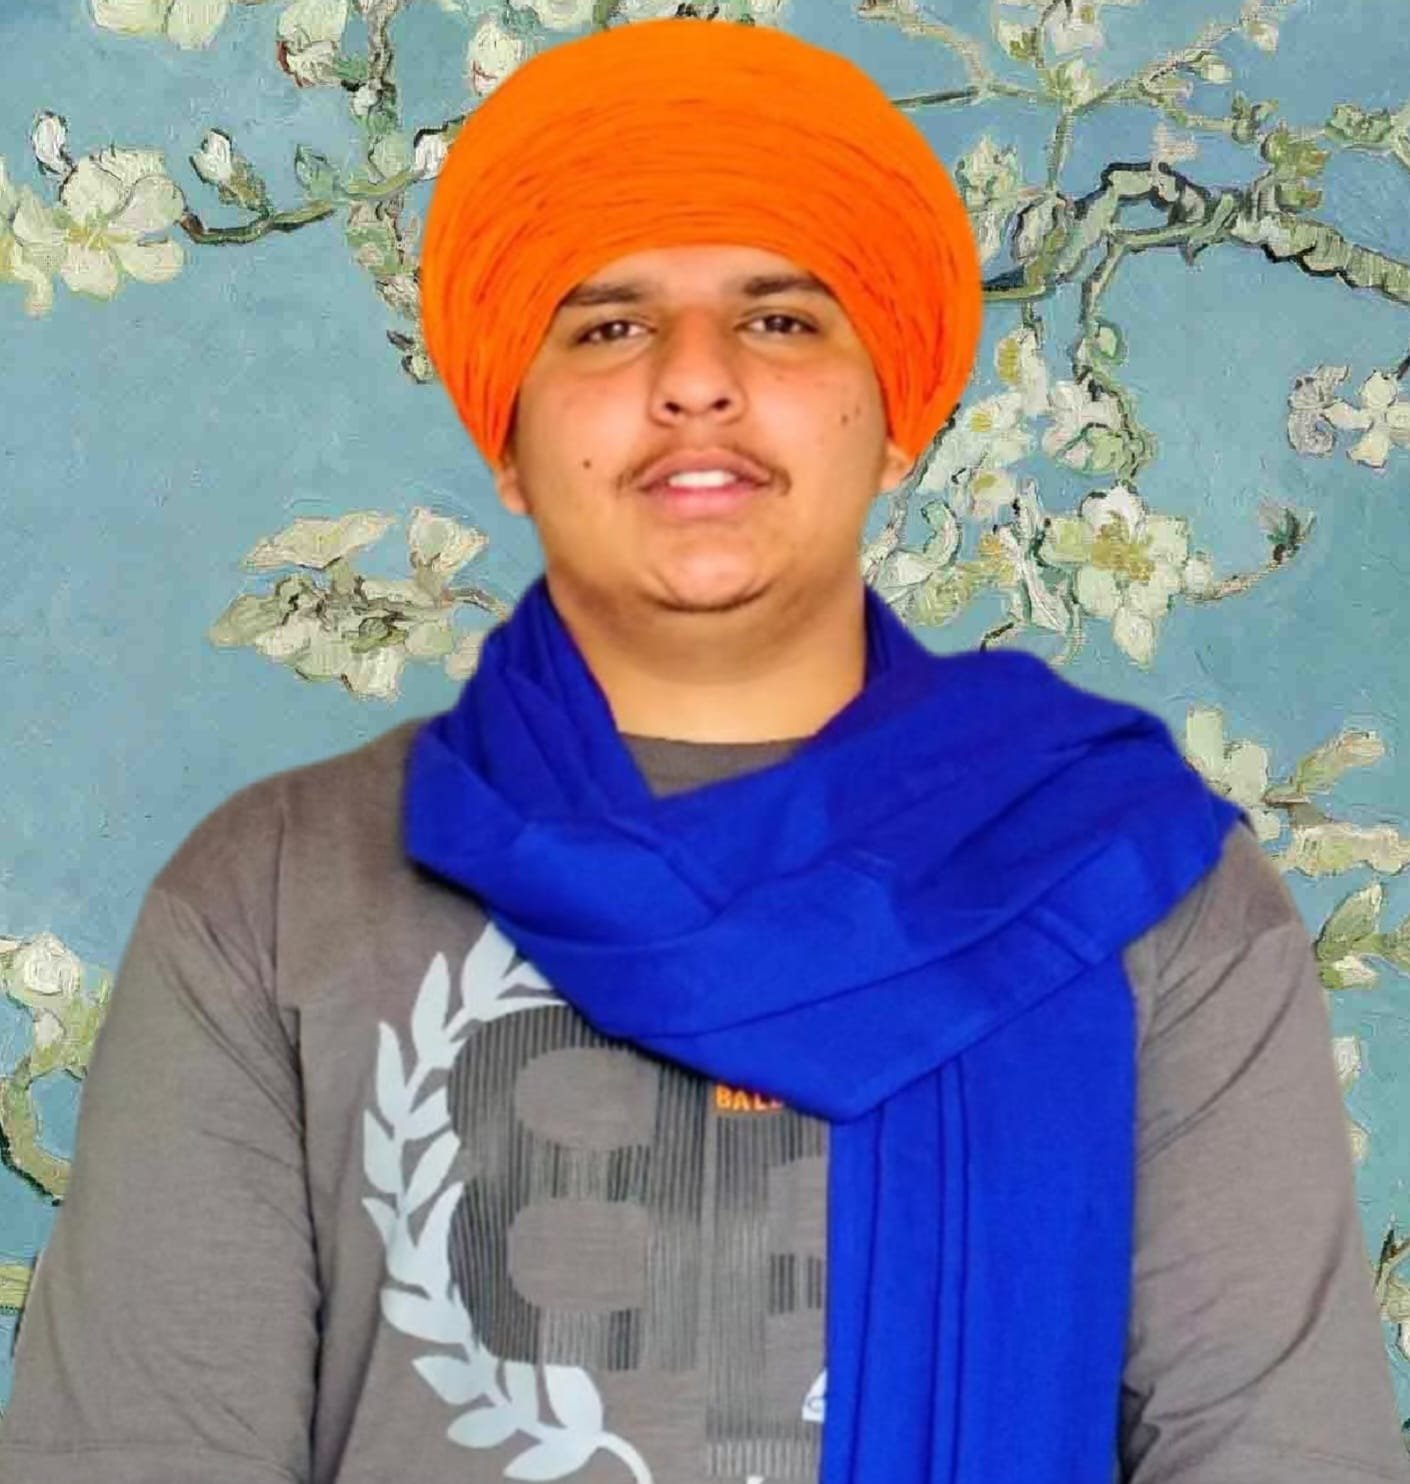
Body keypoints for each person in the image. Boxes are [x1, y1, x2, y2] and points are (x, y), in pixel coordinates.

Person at [0, 16, 1404, 1484]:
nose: (694, 379)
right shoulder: (272, 898)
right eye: (607, 326)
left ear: (899, 418)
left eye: (780, 319)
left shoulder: (1139, 892)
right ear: (506, 436)